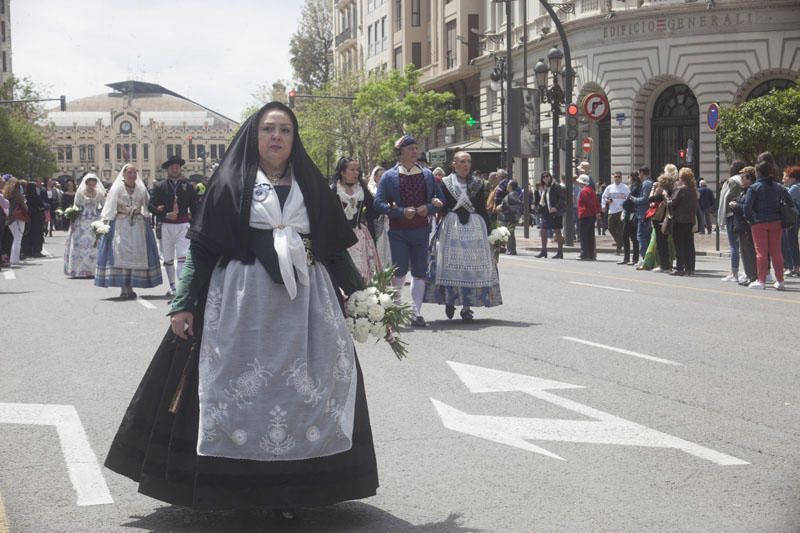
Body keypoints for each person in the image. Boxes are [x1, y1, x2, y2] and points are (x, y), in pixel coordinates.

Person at [104, 101, 378, 516]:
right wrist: (183, 304)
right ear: (255, 135)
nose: (276, 137)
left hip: (306, 306)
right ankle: (235, 490)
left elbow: (335, 251)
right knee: (242, 392)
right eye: (268, 129)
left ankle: (295, 490)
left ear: (293, 138)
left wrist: (364, 300)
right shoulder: (231, 181)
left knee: (303, 392)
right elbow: (201, 248)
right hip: (241, 302)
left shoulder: (311, 184)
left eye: (284, 130)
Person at [374, 134, 444, 327]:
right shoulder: (389, 177)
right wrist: (400, 212)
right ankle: (398, 308)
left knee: (420, 271)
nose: (415, 151)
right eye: (411, 148)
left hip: (421, 230)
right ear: (401, 152)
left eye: (415, 148)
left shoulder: (427, 175)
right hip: (398, 231)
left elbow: (439, 200)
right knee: (400, 270)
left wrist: (428, 208)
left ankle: (416, 312)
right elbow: (378, 203)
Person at [424, 151, 501, 321]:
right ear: (454, 164)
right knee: (449, 265)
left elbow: (482, 208)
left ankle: (467, 306)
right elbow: (440, 205)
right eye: (462, 161)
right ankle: (450, 300)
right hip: (452, 226)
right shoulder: (445, 183)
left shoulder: (478, 183)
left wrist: (491, 233)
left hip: (475, 227)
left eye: (468, 161)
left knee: (471, 268)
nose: (466, 165)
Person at [94, 164, 163, 298]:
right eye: (129, 172)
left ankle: (131, 285)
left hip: (138, 225)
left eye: (134, 172)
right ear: (124, 174)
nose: (132, 175)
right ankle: (124, 287)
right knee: (121, 253)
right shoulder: (117, 189)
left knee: (136, 253)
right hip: (121, 223)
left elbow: (149, 205)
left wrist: (156, 211)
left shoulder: (141, 189)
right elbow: (109, 207)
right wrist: (103, 224)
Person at [149, 156, 197, 297]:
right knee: (168, 257)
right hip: (166, 226)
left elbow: (195, 207)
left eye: (177, 167)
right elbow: (150, 206)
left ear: (180, 169)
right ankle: (172, 286)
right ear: (167, 170)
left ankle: (181, 287)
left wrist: (195, 226)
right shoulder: (159, 186)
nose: (175, 170)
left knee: (182, 256)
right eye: (172, 168)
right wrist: (163, 213)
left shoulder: (188, 186)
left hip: (183, 225)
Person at [333, 156, 381, 282]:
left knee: (361, 272)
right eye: (352, 170)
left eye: (357, 170)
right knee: (344, 273)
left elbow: (373, 209)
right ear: (342, 172)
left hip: (359, 235)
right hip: (339, 236)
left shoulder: (361, 190)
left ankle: (361, 299)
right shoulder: (334, 190)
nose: (356, 173)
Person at [743, 152, 785, 290]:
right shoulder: (778, 187)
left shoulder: (754, 188)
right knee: (776, 252)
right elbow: (788, 202)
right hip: (776, 221)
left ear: (758, 172)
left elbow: (747, 207)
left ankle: (761, 280)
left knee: (761, 252)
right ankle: (780, 280)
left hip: (759, 222)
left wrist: (750, 219)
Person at [64, 173, 105, 278]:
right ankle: (79, 269)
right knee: (81, 244)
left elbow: (104, 206)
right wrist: (73, 217)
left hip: (95, 219)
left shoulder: (99, 193)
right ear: (86, 184)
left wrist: (103, 218)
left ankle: (94, 269)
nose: (91, 186)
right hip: (82, 220)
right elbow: (76, 206)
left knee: (94, 244)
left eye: (93, 184)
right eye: (89, 184)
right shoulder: (81, 194)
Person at [717, 160, 747, 282]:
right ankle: (746, 271)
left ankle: (734, 273)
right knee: (745, 246)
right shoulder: (746, 180)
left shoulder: (732, 181)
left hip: (732, 215)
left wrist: (721, 216)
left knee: (734, 245)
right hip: (744, 215)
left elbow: (725, 199)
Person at [667, 168, 698, 276]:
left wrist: (666, 198)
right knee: (688, 244)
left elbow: (672, 203)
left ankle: (680, 267)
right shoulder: (693, 190)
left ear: (682, 178)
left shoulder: (681, 189)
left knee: (679, 244)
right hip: (689, 220)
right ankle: (689, 267)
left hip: (679, 220)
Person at [730, 166, 757, 286]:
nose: (741, 179)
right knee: (744, 251)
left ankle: (752, 275)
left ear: (750, 178)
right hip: (741, 225)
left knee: (749, 252)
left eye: (743, 177)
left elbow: (748, 208)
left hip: (747, 226)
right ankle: (749, 274)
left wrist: (736, 205)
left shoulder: (751, 190)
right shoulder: (744, 190)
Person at [534, 171, 565, 259]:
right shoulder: (543, 188)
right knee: (543, 231)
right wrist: (538, 209)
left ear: (550, 177)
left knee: (557, 231)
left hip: (555, 212)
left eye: (547, 176)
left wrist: (556, 207)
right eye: (544, 177)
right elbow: (541, 200)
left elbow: (562, 199)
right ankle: (544, 251)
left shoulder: (556, 186)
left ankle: (560, 252)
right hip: (546, 212)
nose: (546, 178)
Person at [367, 166, 392, 269]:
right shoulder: (371, 192)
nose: (383, 178)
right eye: (380, 176)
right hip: (376, 225)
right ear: (375, 178)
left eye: (384, 175)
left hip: (389, 224)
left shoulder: (389, 190)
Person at [602, 171, 630, 253]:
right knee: (610, 228)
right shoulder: (609, 188)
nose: (617, 178)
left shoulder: (625, 188)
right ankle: (620, 242)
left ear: (621, 178)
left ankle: (618, 248)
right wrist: (605, 204)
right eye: (616, 177)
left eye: (619, 177)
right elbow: (604, 197)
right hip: (612, 210)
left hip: (621, 211)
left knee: (620, 230)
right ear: (613, 177)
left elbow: (629, 198)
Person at [631, 166, 653, 267]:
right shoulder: (649, 183)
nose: (639, 176)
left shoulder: (646, 183)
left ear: (642, 173)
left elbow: (645, 199)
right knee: (646, 236)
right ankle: (647, 258)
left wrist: (633, 199)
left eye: (639, 174)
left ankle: (644, 257)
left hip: (643, 213)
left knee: (641, 236)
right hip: (645, 213)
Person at [780, 166, 800, 277]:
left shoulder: (795, 188)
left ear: (793, 178)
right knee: (791, 242)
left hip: (793, 218)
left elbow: (784, 198)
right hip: (795, 218)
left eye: (786, 177)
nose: (784, 179)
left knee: (791, 242)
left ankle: (796, 267)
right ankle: (794, 266)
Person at [3, 177, 27, 265]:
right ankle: (14, 259)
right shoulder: (18, 194)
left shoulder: (5, 193)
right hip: (18, 218)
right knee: (18, 239)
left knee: (14, 238)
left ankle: (13, 258)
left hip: (9, 219)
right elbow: (25, 207)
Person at [576, 174, 600, 260]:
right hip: (591, 215)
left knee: (584, 235)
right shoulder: (591, 190)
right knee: (590, 235)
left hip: (585, 215)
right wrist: (596, 212)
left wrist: (594, 211)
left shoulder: (584, 191)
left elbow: (589, 203)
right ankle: (590, 254)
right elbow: (595, 202)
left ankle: (584, 253)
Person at [619, 172, 641, 266]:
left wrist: (624, 205)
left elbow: (629, 201)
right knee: (630, 236)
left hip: (631, 214)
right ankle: (629, 258)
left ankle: (631, 258)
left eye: (629, 177)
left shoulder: (635, 187)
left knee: (629, 236)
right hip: (630, 213)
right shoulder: (633, 187)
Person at [497, 181, 521, 255]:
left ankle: (511, 250)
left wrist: (501, 207)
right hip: (509, 217)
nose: (506, 186)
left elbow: (510, 205)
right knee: (508, 233)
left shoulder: (512, 194)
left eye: (508, 185)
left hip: (510, 217)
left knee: (510, 233)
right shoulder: (512, 194)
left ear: (510, 186)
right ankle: (509, 249)